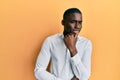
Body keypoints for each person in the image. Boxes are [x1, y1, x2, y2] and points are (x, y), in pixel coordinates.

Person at [34, 8, 92, 80]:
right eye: (73, 22)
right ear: (63, 22)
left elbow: (84, 77)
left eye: (80, 22)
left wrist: (73, 50)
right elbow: (38, 71)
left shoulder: (86, 44)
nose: (77, 26)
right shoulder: (50, 41)